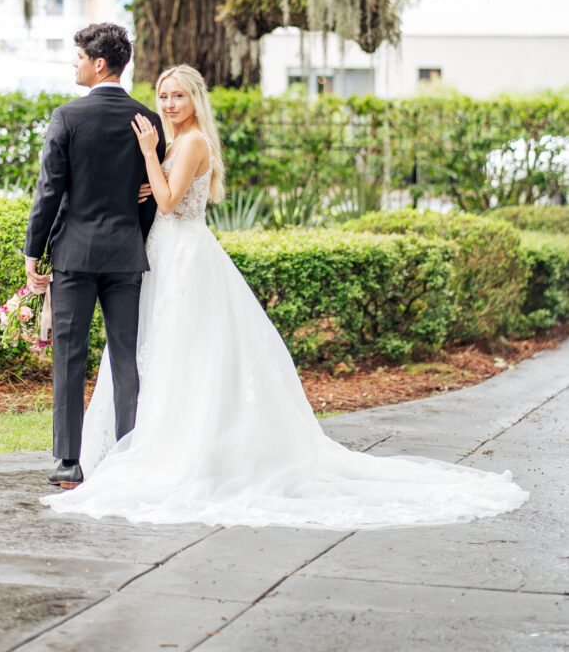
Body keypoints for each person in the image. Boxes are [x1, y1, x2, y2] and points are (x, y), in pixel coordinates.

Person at [42, 64, 527, 529]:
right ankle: (138, 441)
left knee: (179, 351)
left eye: (178, 95)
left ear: (195, 100)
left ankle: (175, 448)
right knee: (157, 352)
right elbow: (164, 194)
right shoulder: (177, 141)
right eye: (164, 95)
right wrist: (152, 179)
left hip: (183, 255)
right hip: (162, 255)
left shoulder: (190, 142)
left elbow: (169, 203)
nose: (168, 103)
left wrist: (150, 159)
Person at [24, 23, 164, 490]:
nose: (75, 64)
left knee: (69, 356)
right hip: (126, 256)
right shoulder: (148, 120)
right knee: (126, 357)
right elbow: (149, 196)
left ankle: (68, 462)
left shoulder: (67, 117)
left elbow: (49, 192)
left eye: (79, 57)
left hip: (74, 256)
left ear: (99, 63)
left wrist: (34, 252)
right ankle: (130, 457)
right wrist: (135, 239)